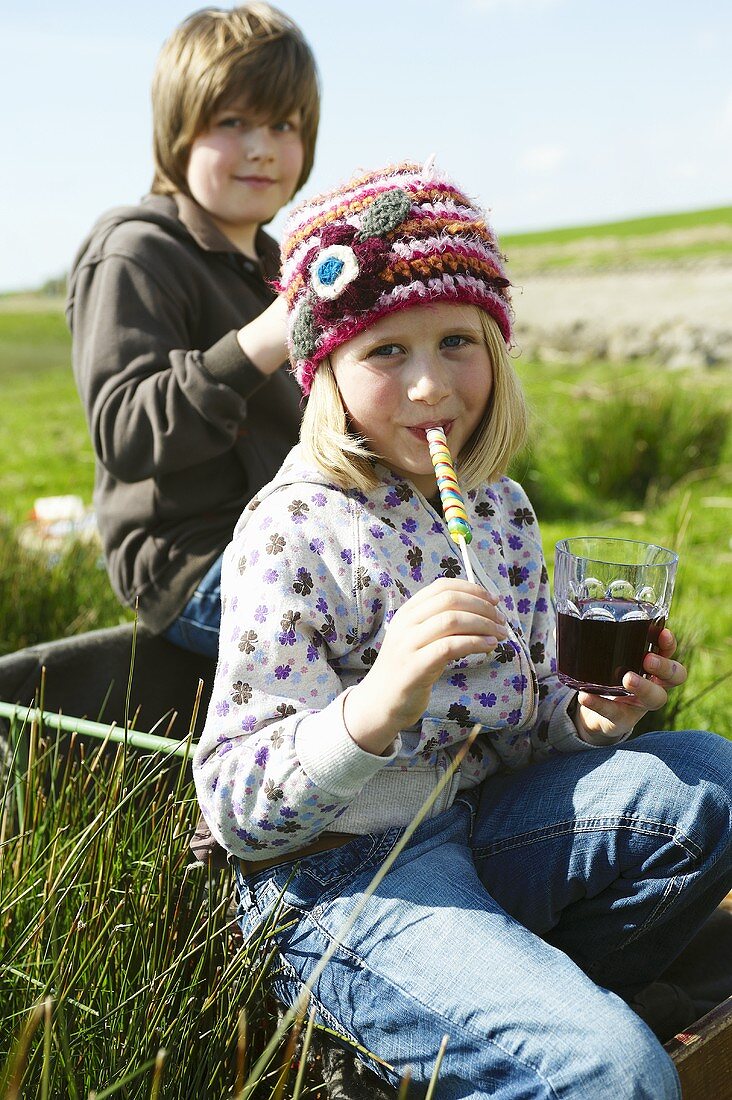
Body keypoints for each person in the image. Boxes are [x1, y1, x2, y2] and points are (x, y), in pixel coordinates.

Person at [193, 161, 732, 1099]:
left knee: (714, 781)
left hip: (472, 824)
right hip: (337, 882)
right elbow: (236, 810)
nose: (432, 385)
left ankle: (519, 1005)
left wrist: (590, 721)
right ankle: (539, 1034)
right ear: (327, 375)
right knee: (614, 1071)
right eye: (385, 353)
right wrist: (371, 710)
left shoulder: (499, 511)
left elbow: (521, 732)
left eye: (455, 340)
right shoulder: (292, 532)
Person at [66, 3, 319, 658]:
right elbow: (124, 430)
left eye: (283, 124)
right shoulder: (135, 254)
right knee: (394, 652)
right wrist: (262, 341)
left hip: (304, 541)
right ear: (177, 132)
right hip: (189, 563)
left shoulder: (279, 263)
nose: (262, 147)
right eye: (232, 122)